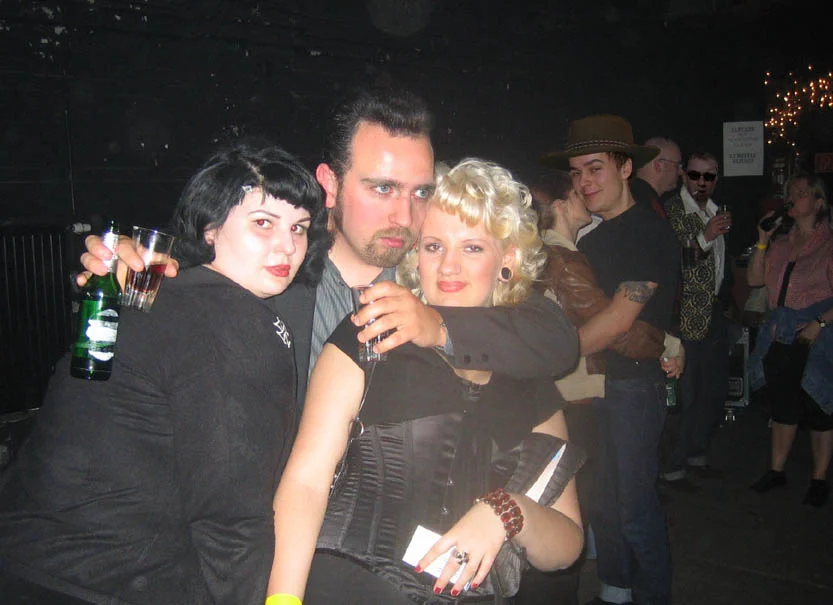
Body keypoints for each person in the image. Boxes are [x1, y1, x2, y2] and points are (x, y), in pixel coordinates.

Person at [79, 87, 579, 408]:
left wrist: (438, 325)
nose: (405, 216)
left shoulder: (430, 274)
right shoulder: (274, 267)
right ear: (330, 185)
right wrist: (122, 277)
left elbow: (556, 339)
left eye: (420, 192)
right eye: (382, 188)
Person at [0, 140, 329, 604]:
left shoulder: (158, 290)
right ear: (211, 228)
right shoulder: (234, 321)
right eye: (263, 222)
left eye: (299, 227)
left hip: (26, 554)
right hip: (103, 582)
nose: (288, 246)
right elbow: (233, 518)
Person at [268, 159, 585, 605]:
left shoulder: (532, 379)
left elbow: (567, 545)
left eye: (472, 248)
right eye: (434, 246)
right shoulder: (370, 335)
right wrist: (282, 599)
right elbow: (306, 483)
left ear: (508, 260)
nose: (448, 266)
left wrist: (509, 513)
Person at [515, 172, 683, 605]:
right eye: (576, 184)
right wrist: (668, 343)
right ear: (561, 203)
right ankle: (631, 592)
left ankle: (622, 591)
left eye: (593, 170)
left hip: (588, 391)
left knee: (613, 500)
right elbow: (612, 324)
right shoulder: (565, 256)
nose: (585, 188)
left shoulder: (568, 249)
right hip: (583, 392)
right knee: (618, 502)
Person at [747, 170, 833, 508]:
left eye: (801, 192)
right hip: (781, 331)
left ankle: (819, 478)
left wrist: (819, 324)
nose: (792, 198)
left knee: (818, 404)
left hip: (817, 331)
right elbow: (755, 280)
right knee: (783, 402)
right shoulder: (782, 243)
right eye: (790, 192)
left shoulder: (829, 243)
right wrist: (762, 240)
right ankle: (776, 470)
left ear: (818, 202)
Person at [662, 152, 734, 482]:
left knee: (711, 391)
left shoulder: (717, 211)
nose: (702, 182)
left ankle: (697, 455)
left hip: (714, 313)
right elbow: (674, 261)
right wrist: (706, 236)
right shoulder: (672, 210)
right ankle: (674, 467)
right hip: (685, 316)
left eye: (709, 176)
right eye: (695, 175)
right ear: (684, 176)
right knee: (686, 394)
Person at [631, 136, 683, 218]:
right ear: (659, 166)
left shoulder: (631, 195)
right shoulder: (647, 205)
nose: (681, 172)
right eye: (677, 165)